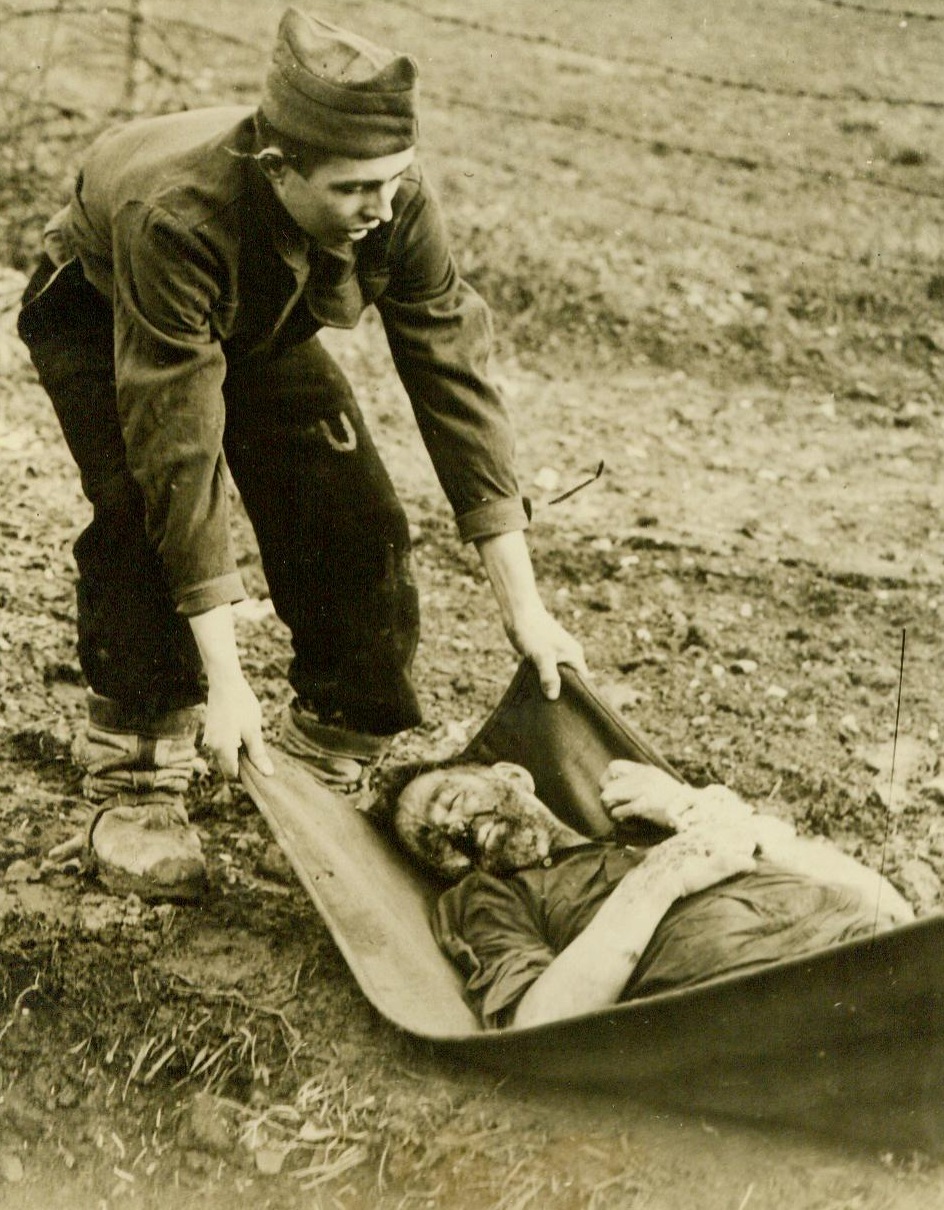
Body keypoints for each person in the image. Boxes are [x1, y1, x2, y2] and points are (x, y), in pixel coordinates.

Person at [16, 8, 585, 900]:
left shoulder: (392, 202)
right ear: (277, 168)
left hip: (256, 321)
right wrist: (227, 675)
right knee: (141, 516)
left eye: (393, 181)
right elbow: (180, 455)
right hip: (105, 308)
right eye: (356, 188)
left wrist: (526, 609)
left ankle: (325, 760)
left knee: (357, 518)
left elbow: (455, 380)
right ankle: (137, 779)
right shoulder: (176, 216)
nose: (382, 208)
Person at [385, 758, 914, 1029]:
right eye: (434, 844)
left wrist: (689, 806)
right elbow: (538, 1024)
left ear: (511, 775)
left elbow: (881, 899)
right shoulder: (491, 898)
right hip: (778, 996)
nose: (451, 826)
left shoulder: (647, 815)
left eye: (449, 798)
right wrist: (658, 879)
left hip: (882, 947)